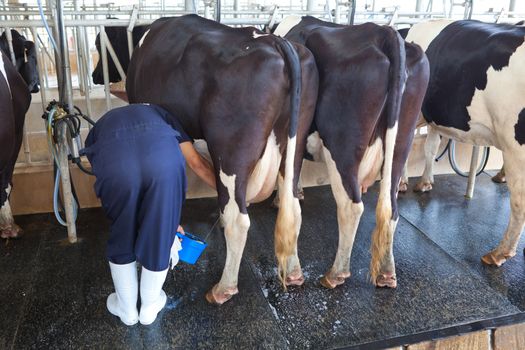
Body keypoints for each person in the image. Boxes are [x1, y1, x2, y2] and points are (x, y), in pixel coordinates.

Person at [83, 104, 216, 326]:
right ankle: (149, 307)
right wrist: (169, 221)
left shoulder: (104, 121)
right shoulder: (166, 114)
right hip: (163, 162)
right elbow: (196, 163)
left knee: (122, 228)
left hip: (114, 162)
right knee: (160, 233)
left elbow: (100, 165)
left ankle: (126, 310)